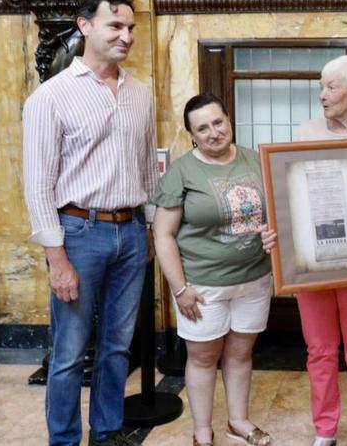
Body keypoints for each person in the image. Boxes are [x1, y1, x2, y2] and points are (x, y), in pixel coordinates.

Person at [23, 0, 157, 446]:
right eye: (115, 26)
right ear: (85, 27)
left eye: (131, 28)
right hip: (78, 234)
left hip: (132, 231)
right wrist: (56, 259)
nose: (126, 36)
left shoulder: (140, 93)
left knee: (118, 348)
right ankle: (63, 440)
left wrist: (151, 227)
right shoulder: (51, 97)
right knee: (69, 353)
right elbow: (39, 186)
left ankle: (107, 432)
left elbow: (146, 169)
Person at [261, 55, 347, 446]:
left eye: (331, 86)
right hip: (312, 266)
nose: (322, 95)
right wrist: (278, 237)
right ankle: (325, 430)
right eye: (321, 87)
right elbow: (290, 197)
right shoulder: (305, 131)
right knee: (319, 350)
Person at [152, 94, 272, 446]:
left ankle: (238, 421)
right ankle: (203, 430)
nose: (213, 132)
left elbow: (275, 214)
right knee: (203, 358)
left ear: (228, 120)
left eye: (218, 123)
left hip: (253, 280)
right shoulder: (182, 172)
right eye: (202, 128)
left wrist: (272, 236)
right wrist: (179, 288)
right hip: (202, 287)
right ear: (192, 135)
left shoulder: (256, 160)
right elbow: (163, 234)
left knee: (240, 354)